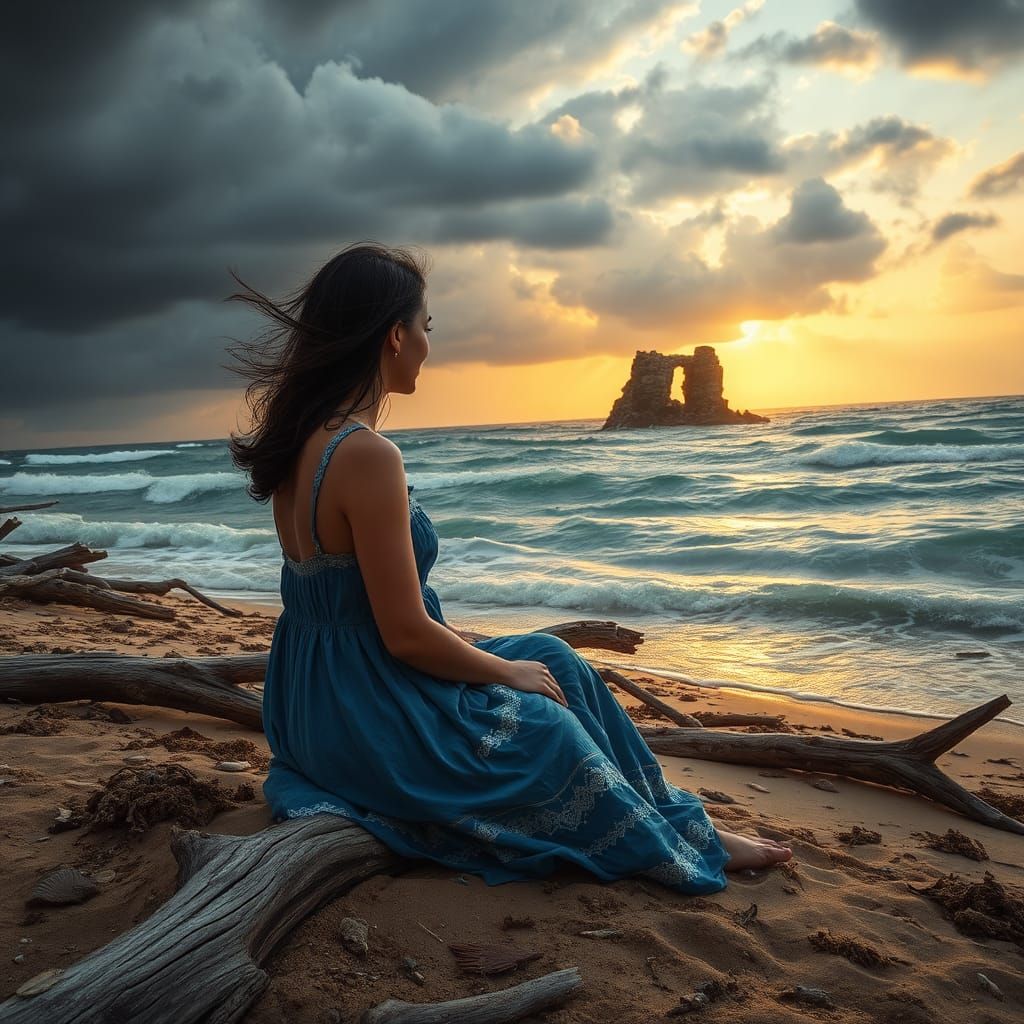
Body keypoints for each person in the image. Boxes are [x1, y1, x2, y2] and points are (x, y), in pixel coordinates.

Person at [226, 242, 792, 894]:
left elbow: (353, 611)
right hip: (367, 712)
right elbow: (403, 634)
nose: (427, 345)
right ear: (394, 336)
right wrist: (503, 670)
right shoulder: (366, 455)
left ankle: (684, 822)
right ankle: (673, 841)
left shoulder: (301, 442)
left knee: (556, 659)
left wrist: (513, 664)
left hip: (315, 700)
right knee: (547, 728)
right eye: (425, 327)